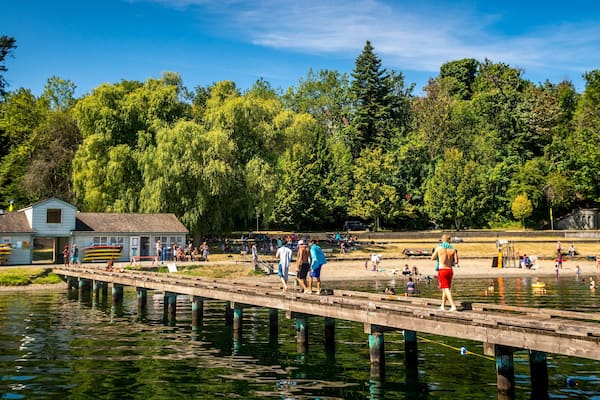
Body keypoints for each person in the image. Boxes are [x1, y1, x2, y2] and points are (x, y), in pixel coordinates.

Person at [431, 234, 458, 311]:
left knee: (445, 288)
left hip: (442, 269)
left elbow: (432, 258)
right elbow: (456, 261)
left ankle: (453, 305)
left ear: (442, 240)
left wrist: (439, 258)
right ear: (449, 240)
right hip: (450, 270)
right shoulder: (453, 249)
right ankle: (442, 305)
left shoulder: (439, 248)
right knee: (445, 288)